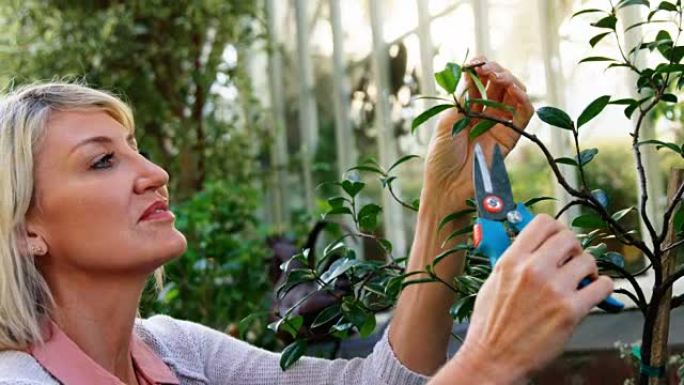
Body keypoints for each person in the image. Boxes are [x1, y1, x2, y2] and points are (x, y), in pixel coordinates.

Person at [0, 59, 613, 385]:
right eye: (103, 161)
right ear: (26, 227)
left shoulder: (173, 354)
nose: (155, 172)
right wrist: (489, 360)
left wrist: (446, 202)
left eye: (135, 147)